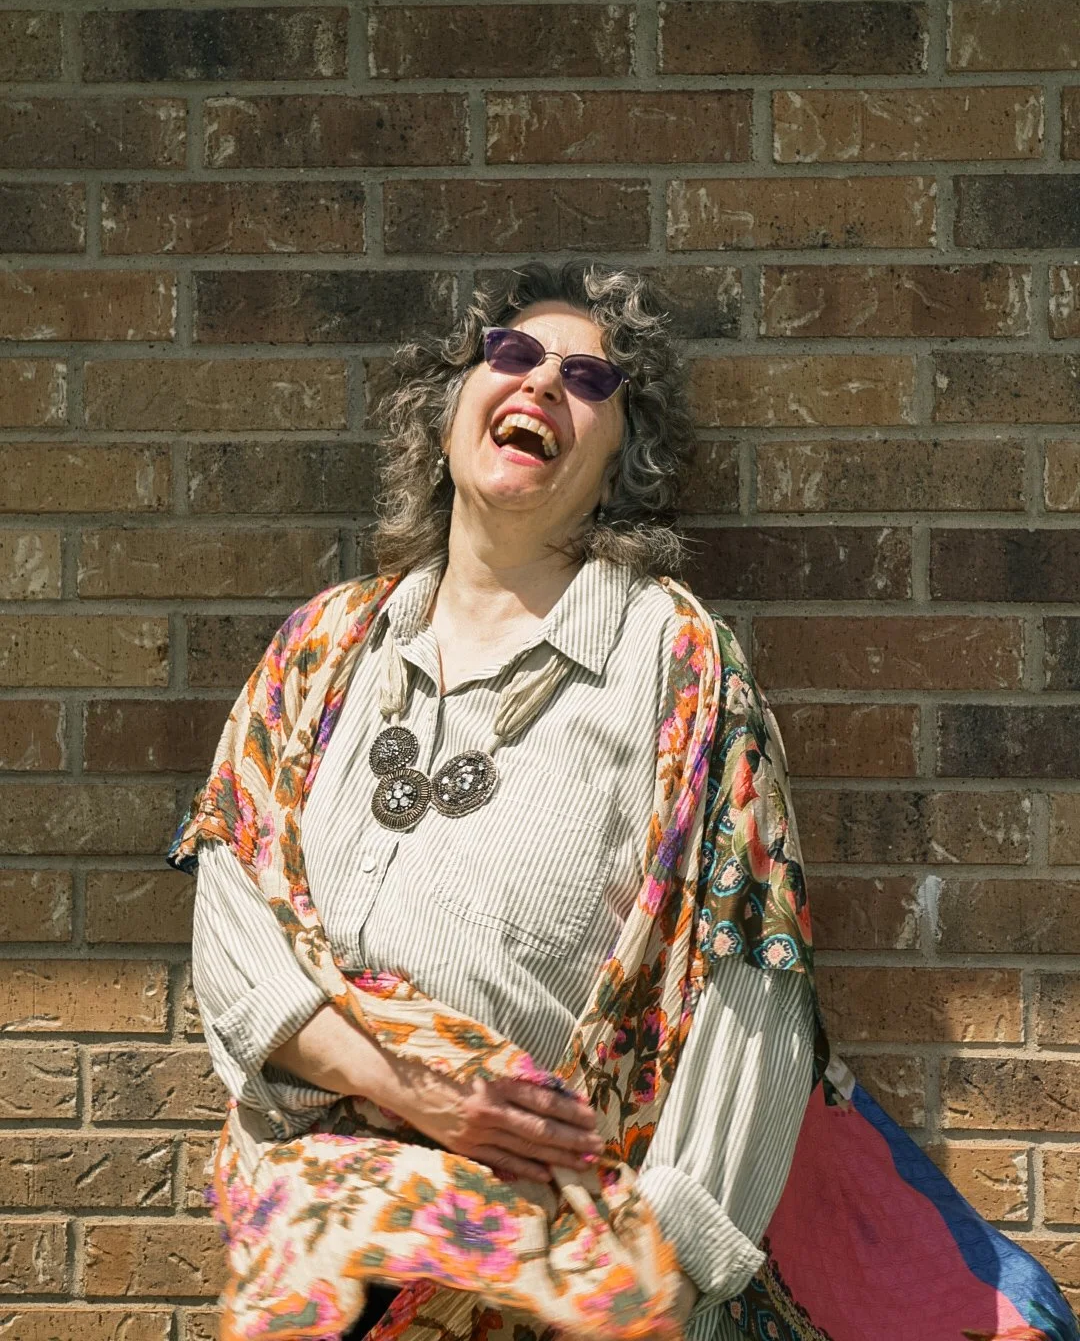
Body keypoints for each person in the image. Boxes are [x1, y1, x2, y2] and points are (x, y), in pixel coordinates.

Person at [182, 260, 820, 1341]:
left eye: (586, 378)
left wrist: (659, 1263)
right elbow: (234, 916)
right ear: (447, 417)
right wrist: (426, 1092)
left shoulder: (676, 666)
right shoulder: (325, 647)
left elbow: (748, 968)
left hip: (549, 1289)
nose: (540, 384)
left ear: (621, 460)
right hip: (319, 1264)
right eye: (513, 356)